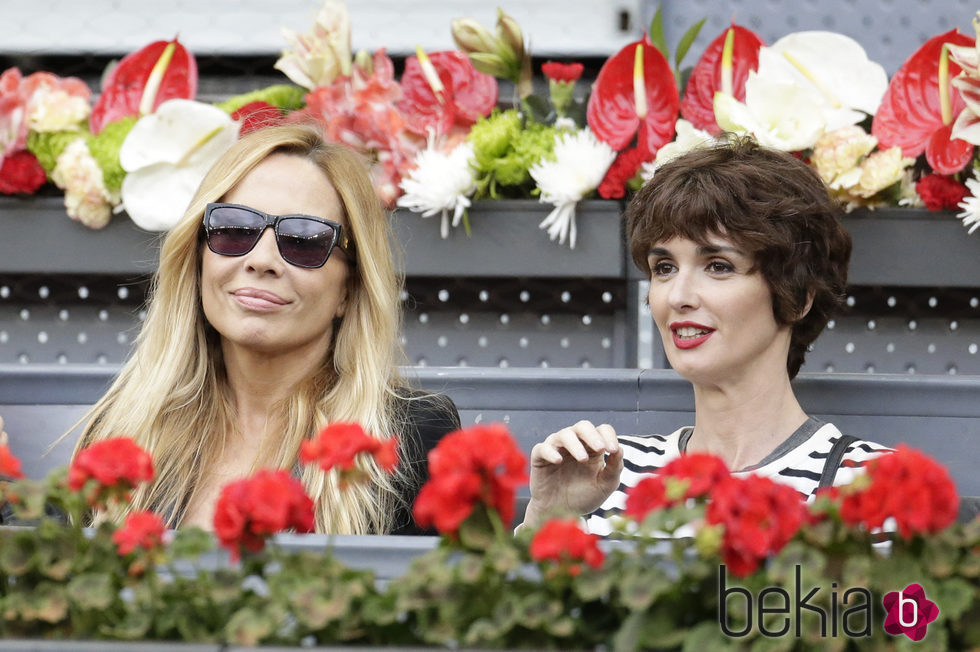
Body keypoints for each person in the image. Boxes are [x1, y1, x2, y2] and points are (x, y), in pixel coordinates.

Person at [69, 124, 459, 534]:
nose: (262, 260)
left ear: (350, 288)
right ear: (198, 256)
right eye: (234, 229)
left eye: (304, 240)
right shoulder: (125, 428)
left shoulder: (411, 436)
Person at [522, 136, 892, 536]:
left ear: (799, 295)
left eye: (717, 265)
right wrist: (548, 515)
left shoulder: (870, 484)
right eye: (664, 267)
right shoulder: (604, 473)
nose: (678, 297)